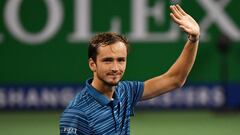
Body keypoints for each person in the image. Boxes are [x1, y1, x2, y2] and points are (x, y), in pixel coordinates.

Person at [60, 4, 200, 135]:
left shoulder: (124, 92)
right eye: (107, 60)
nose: (115, 68)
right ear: (92, 64)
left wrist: (193, 39)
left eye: (120, 60)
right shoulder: (76, 113)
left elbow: (174, 80)